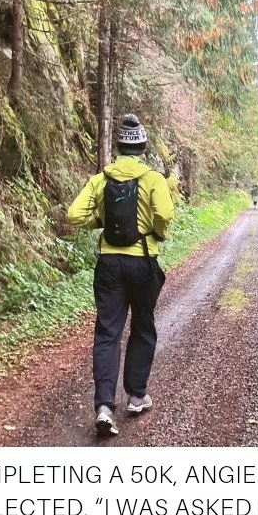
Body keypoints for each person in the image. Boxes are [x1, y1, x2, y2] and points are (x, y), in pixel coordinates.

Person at [68, 114, 174, 437]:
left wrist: (101, 221)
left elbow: (74, 214)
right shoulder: (153, 178)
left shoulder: (101, 179)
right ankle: (137, 396)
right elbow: (164, 214)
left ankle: (103, 406)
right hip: (143, 260)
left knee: (108, 333)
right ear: (143, 148)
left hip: (109, 264)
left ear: (118, 147)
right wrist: (158, 232)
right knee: (143, 327)